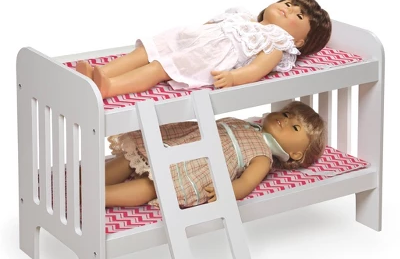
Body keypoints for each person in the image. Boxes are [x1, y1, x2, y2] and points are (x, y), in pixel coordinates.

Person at [76, 0, 331, 99]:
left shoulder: (276, 41)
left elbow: (257, 69)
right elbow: (212, 24)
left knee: (159, 67)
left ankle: (110, 87)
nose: (289, 10)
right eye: (288, 3)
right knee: (148, 50)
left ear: (299, 41)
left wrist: (234, 78)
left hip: (206, 58)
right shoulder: (243, 15)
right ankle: (100, 72)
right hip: (192, 40)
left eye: (299, 15)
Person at [105, 101, 326, 208]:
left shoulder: (263, 156)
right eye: (286, 114)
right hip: (184, 141)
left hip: (197, 164)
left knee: (154, 185)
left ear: (295, 154)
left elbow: (246, 183)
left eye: (295, 127)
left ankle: (101, 197)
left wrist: (225, 191)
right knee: (135, 156)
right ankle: (93, 181)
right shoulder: (249, 124)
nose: (285, 120)